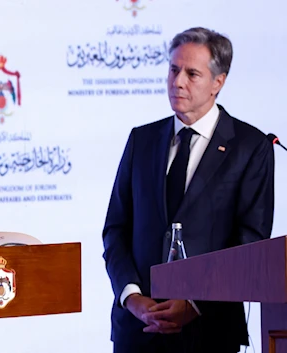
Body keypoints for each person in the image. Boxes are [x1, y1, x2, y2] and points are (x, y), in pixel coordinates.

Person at [102, 27, 274, 353]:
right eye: (173, 69)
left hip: (209, 331)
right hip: (138, 330)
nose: (177, 81)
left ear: (218, 82)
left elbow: (250, 244)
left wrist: (194, 303)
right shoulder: (142, 140)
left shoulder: (250, 147)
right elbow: (115, 230)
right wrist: (132, 297)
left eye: (192, 73)